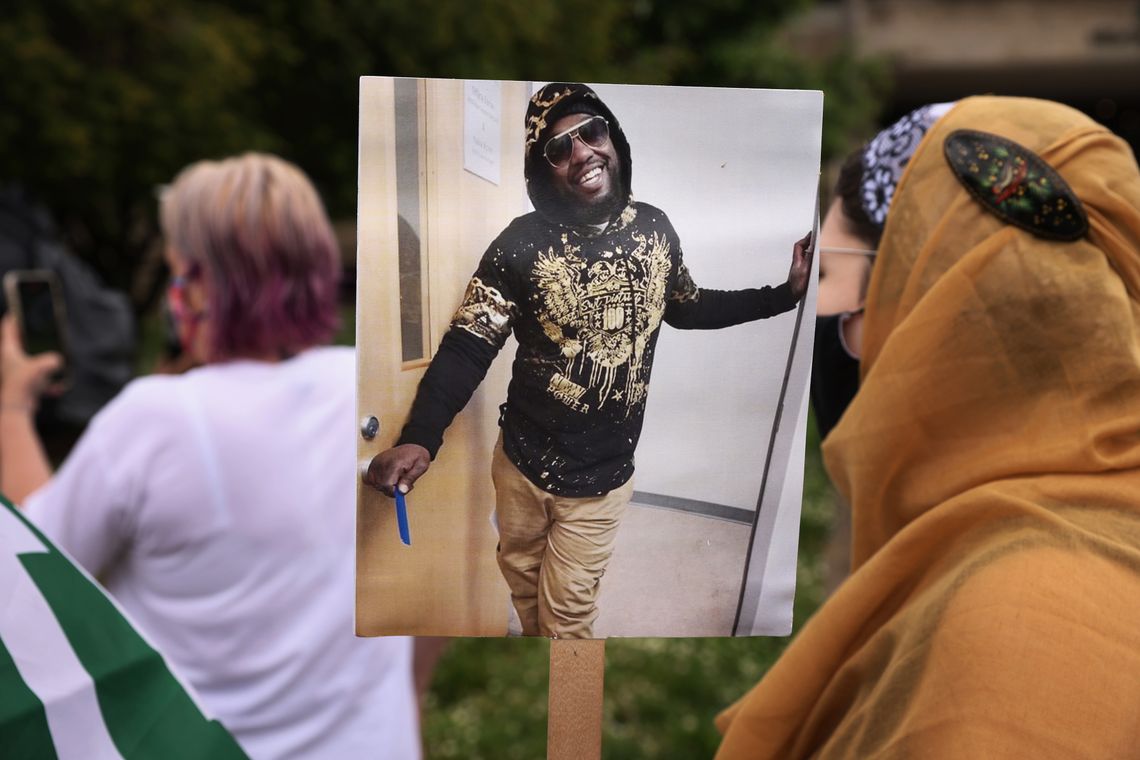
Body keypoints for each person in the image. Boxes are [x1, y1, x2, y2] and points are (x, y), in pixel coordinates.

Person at [716, 96, 1140, 758]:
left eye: (826, 272)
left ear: (920, 303)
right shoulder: (1059, 550)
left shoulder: (1018, 629)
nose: (804, 308)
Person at [0, 154, 422, 759]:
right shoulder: (382, 394)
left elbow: (37, 581)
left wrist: (12, 409)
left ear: (198, 284)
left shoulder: (153, 422)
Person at [364, 82, 813, 639]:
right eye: (559, 148)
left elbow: (688, 308)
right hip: (520, 463)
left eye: (591, 133)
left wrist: (782, 295)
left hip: (600, 478)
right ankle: (543, 696)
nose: (581, 153)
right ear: (543, 168)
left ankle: (571, 722)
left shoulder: (655, 230)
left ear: (613, 140)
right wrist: (420, 436)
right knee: (524, 586)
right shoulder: (518, 247)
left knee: (567, 619)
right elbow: (468, 344)